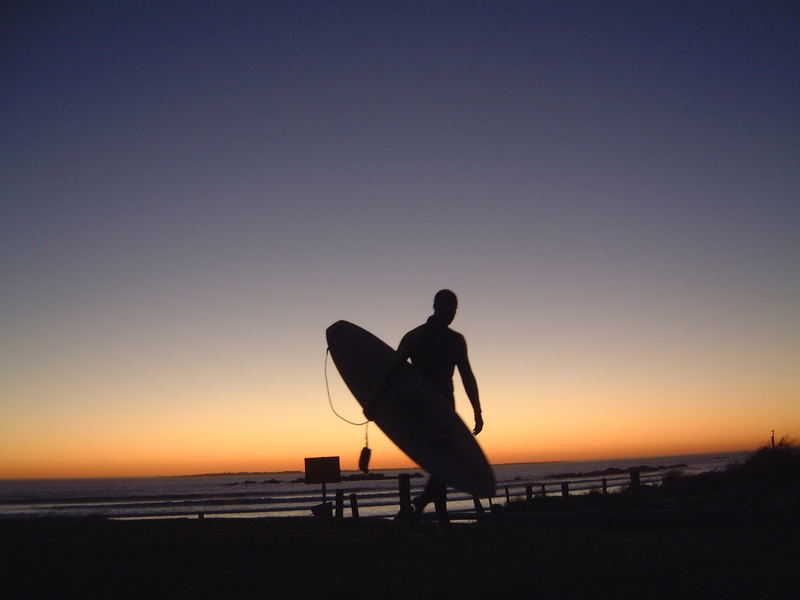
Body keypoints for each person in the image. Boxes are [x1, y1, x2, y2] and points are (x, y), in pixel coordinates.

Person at [367, 289, 483, 526]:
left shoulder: (454, 340)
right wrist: (372, 401)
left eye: (455, 310)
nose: (452, 314)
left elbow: (467, 377)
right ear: (435, 307)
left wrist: (477, 411)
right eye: (448, 308)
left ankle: (431, 513)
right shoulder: (416, 337)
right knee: (444, 461)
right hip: (422, 409)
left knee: (441, 461)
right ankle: (426, 507)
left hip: (444, 409)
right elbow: (391, 370)